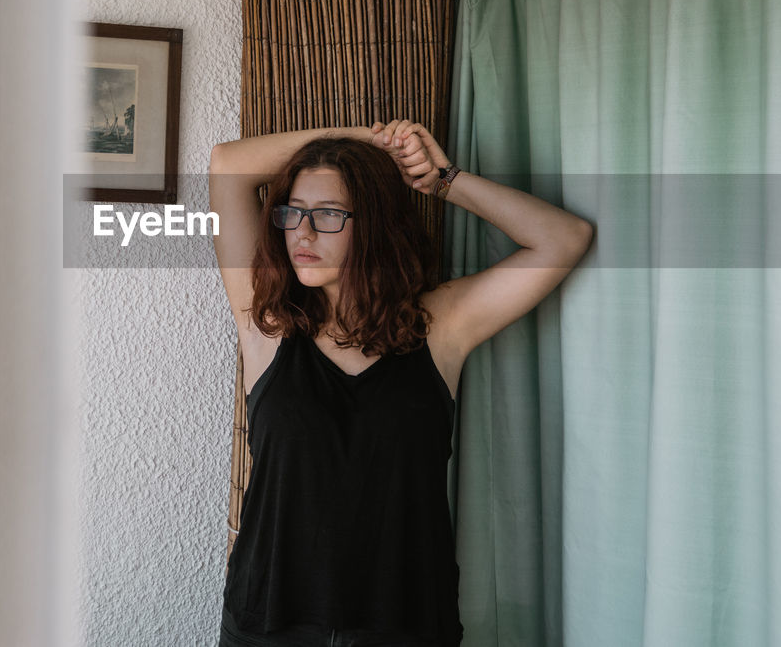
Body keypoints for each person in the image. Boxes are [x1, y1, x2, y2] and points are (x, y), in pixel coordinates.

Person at [209, 120, 593, 647]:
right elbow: (227, 167)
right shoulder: (266, 323)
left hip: (405, 626)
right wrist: (365, 140)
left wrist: (442, 180)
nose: (302, 232)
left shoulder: (439, 327)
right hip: (269, 623)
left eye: (327, 215)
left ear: (374, 224)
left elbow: (564, 238)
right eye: (292, 213)